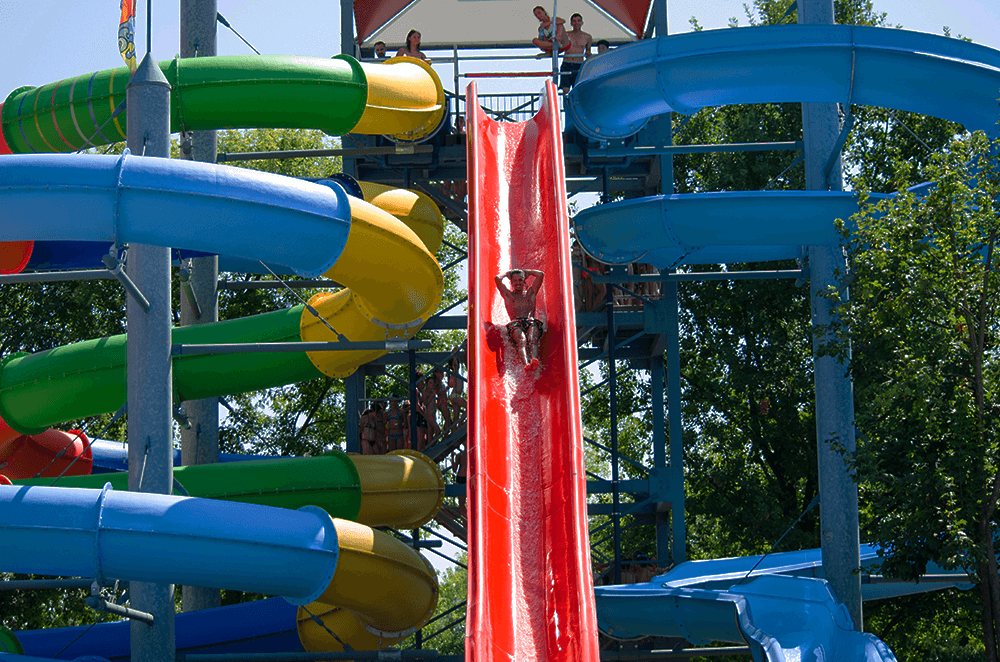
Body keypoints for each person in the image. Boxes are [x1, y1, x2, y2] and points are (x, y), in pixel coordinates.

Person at [495, 268, 545, 371]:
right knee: (522, 340)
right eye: (515, 280)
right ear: (512, 282)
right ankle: (525, 363)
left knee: (532, 338)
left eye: (520, 280)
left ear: (524, 281)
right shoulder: (509, 296)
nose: (518, 283)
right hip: (516, 324)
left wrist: (528, 272)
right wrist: (506, 273)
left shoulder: (530, 294)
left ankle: (534, 360)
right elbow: (497, 279)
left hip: (530, 321)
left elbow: (540, 274)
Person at [560, 13, 592, 93]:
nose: (576, 23)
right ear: (571, 23)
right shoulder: (566, 35)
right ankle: (565, 105)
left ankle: (575, 105)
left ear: (582, 22)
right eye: (574, 21)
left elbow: (588, 52)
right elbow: (558, 48)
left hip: (579, 64)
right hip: (566, 63)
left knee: (577, 89)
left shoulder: (587, 37)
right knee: (565, 90)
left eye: (578, 21)